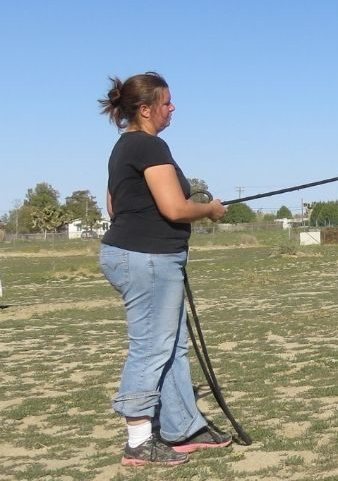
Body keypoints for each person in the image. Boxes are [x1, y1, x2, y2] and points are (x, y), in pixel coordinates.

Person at [98, 72, 230, 466]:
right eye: (167, 102)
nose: (172, 108)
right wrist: (208, 210)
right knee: (152, 348)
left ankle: (182, 428)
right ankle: (139, 442)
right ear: (145, 109)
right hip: (148, 260)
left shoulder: (123, 148)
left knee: (171, 346)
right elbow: (174, 208)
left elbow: (113, 208)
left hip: (137, 255)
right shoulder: (150, 147)